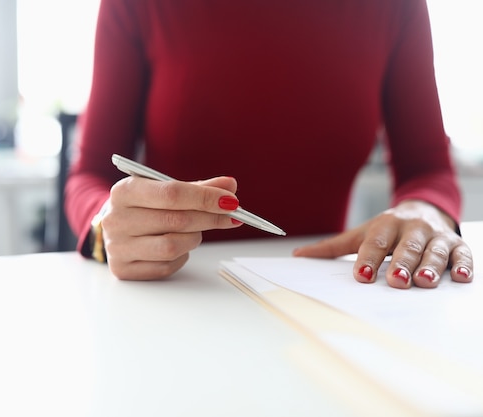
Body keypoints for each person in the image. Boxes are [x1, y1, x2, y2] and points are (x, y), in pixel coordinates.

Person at [65, 0, 474, 287]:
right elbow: (90, 175)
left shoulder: (393, 5)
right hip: (176, 294)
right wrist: (106, 228)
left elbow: (428, 168)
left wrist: (426, 211)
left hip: (318, 299)